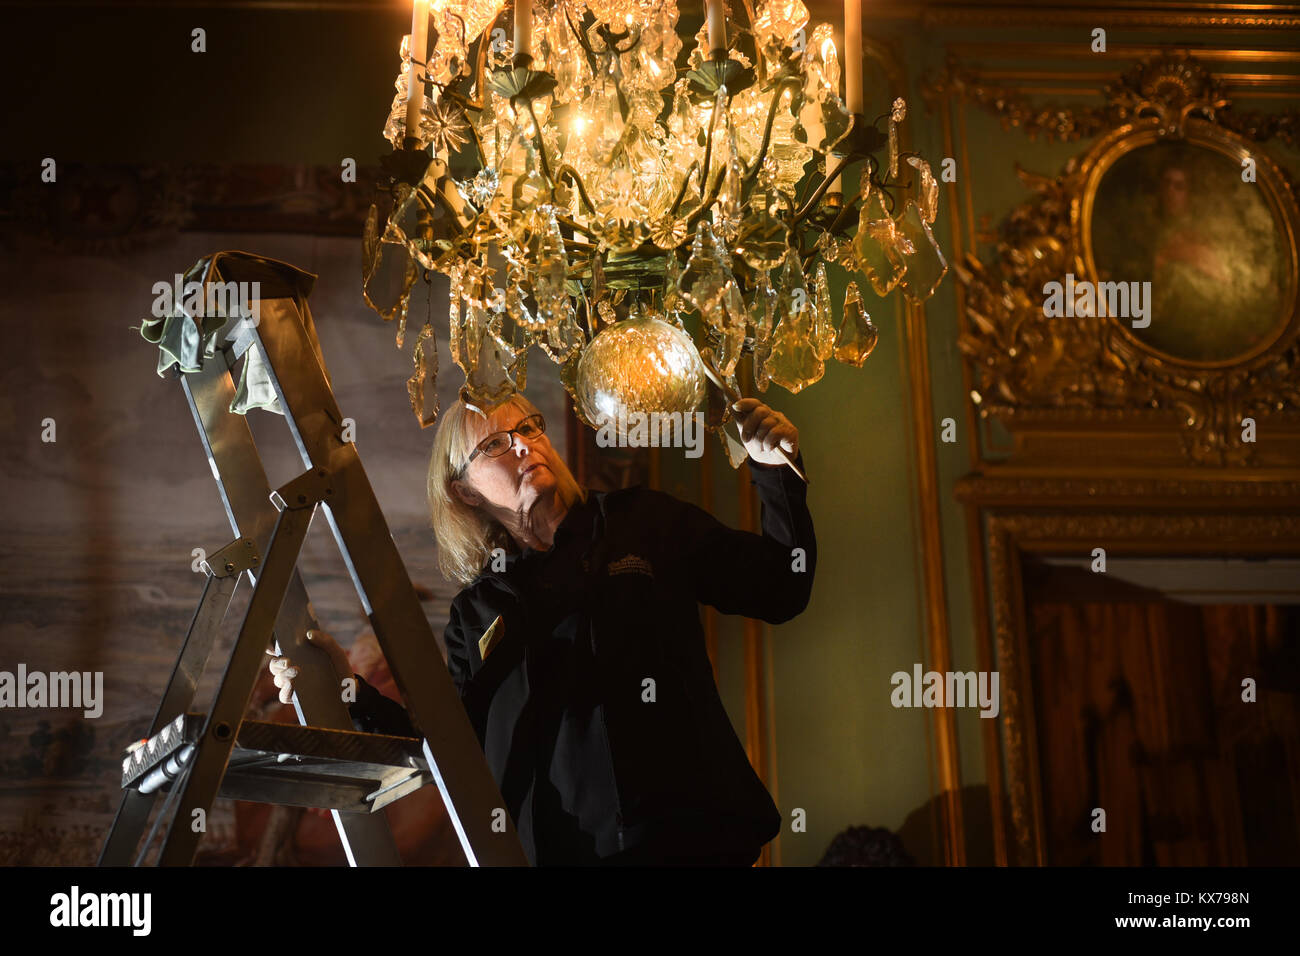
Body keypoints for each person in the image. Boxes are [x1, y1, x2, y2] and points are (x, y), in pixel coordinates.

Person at [269, 391, 816, 866]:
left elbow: (780, 588)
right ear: (465, 492)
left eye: (528, 427)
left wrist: (776, 474)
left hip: (695, 843)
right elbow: (453, 751)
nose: (525, 444)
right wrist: (350, 690)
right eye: (495, 444)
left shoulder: (641, 521)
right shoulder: (475, 613)